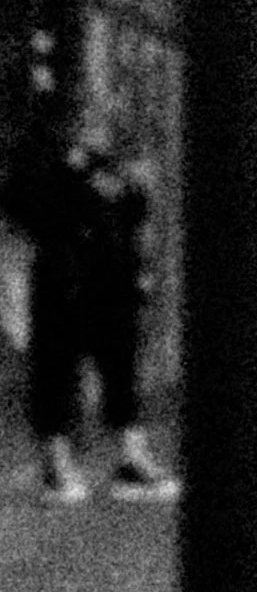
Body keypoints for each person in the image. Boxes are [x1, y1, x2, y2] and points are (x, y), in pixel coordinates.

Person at [3, 53, 177, 504]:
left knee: (120, 362)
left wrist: (129, 189)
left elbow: (134, 209)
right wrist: (78, 179)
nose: (93, 116)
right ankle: (56, 459)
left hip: (109, 270)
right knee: (57, 367)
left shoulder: (107, 156)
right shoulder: (42, 152)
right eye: (85, 109)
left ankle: (128, 455)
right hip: (65, 270)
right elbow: (26, 205)